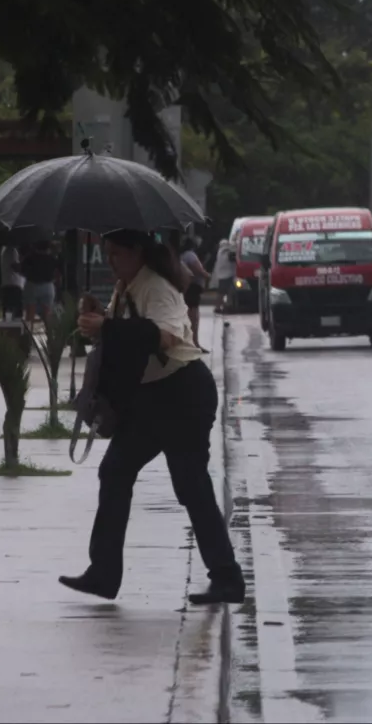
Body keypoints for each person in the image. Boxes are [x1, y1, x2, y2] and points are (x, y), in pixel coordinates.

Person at [60, 229, 244, 605]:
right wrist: (102, 317)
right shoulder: (126, 286)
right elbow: (129, 334)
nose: (111, 261)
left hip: (182, 393)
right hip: (152, 397)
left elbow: (166, 337)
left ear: (138, 253)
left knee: (189, 483)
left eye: (117, 255)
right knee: (116, 473)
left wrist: (109, 327)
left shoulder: (156, 286)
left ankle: (227, 578)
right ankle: (104, 573)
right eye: (106, 254)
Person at [18, 241, 60, 326]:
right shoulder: (52, 258)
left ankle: (29, 335)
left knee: (30, 315)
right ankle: (49, 335)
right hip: (48, 286)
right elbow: (57, 273)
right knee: (47, 315)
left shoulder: (29, 258)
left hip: (32, 286)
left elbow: (22, 271)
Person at [179, 236, 210, 349]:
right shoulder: (190, 255)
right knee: (193, 316)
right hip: (193, 288)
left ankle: (192, 341)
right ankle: (194, 342)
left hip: (191, 288)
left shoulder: (182, 255)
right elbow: (197, 270)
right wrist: (207, 275)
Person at [0, 244, 25, 321]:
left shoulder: (4, 249)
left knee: (8, 314)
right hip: (13, 285)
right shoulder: (11, 250)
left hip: (8, 284)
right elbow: (16, 267)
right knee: (16, 315)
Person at [212, 238, 236, 313]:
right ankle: (226, 307)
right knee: (228, 292)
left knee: (221, 293)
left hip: (221, 275)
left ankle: (219, 307)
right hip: (227, 275)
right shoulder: (225, 251)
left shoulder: (220, 252)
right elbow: (232, 258)